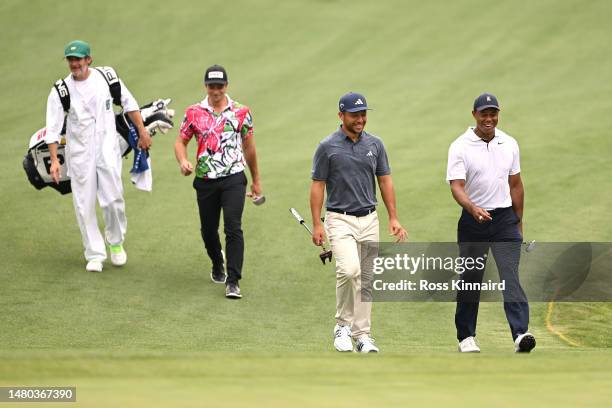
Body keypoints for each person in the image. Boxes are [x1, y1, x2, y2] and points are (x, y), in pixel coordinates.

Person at [310, 92, 408, 353]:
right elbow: (318, 185)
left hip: (369, 218)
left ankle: (363, 334)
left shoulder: (375, 145)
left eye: (363, 114)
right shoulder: (327, 146)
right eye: (355, 115)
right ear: (341, 116)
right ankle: (342, 325)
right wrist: (317, 224)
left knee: (366, 279)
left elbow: (385, 180)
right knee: (349, 270)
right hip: (339, 218)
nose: (360, 119)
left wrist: (394, 217)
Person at [45, 40, 152, 273]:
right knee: (83, 203)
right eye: (71, 60)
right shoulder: (60, 90)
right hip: (80, 153)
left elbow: (129, 103)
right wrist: (54, 160)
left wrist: (142, 131)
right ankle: (94, 253)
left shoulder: (107, 77)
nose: (75, 64)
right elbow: (52, 129)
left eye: (79, 59)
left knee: (113, 198)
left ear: (88, 59)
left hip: (107, 147)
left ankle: (115, 242)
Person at [446, 92, 536, 353]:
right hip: (473, 221)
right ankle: (466, 336)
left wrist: (518, 222)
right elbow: (457, 187)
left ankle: (521, 334)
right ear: (474, 115)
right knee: (472, 278)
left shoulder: (509, 143)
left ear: (498, 114)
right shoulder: (460, 146)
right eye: (484, 113)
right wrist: (473, 208)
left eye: (493, 113)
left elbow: (516, 185)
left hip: (504, 218)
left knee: (510, 275)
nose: (489, 118)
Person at [174, 64, 261, 299]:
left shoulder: (241, 111)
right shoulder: (193, 112)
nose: (216, 91)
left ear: (226, 86)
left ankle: (233, 281)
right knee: (208, 231)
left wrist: (256, 181)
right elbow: (181, 141)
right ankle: (216, 262)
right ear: (206, 86)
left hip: (234, 178)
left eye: (219, 86)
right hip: (205, 178)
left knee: (233, 227)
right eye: (212, 86)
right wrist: (183, 161)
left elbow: (249, 147)